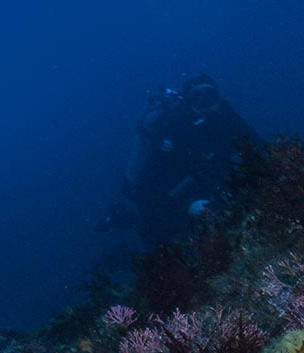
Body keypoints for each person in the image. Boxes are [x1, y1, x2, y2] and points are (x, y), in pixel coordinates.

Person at [108, 74, 261, 247]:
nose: (206, 105)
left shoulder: (225, 116)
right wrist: (187, 207)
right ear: (189, 101)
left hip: (209, 186)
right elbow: (151, 188)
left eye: (210, 97)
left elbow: (257, 144)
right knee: (156, 238)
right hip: (170, 197)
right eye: (199, 99)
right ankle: (124, 223)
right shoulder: (172, 128)